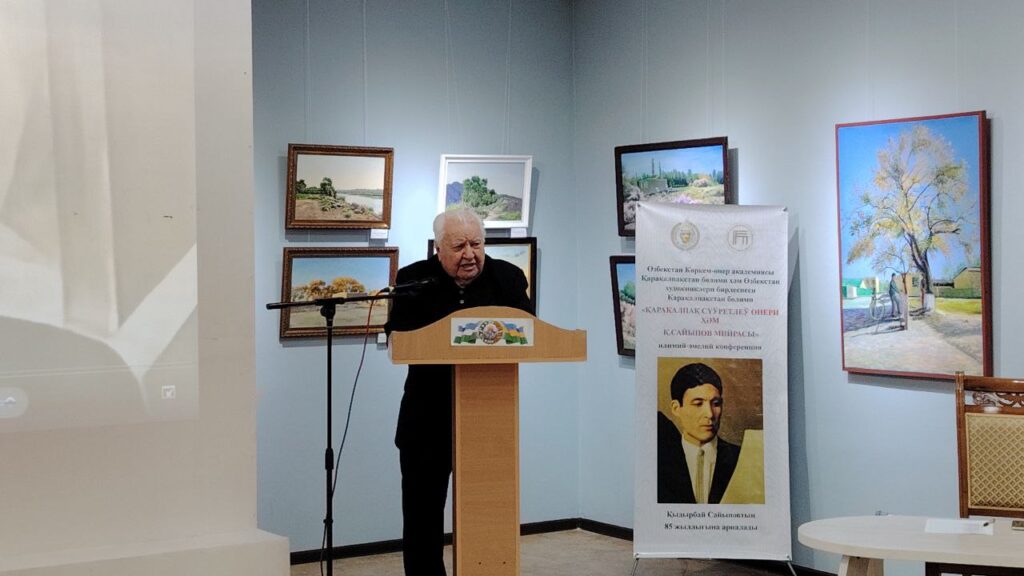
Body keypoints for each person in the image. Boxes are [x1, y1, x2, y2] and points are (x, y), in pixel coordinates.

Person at [384, 208, 532, 576]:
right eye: (459, 246)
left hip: (489, 421)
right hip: (426, 419)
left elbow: (530, 333)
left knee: (487, 512)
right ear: (438, 249)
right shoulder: (413, 279)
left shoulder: (508, 278)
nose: (469, 254)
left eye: (476, 244)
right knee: (422, 516)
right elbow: (398, 337)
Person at [657, 362, 739, 504]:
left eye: (716, 403)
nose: (710, 414)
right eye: (698, 404)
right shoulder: (660, 460)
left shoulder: (740, 458)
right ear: (676, 408)